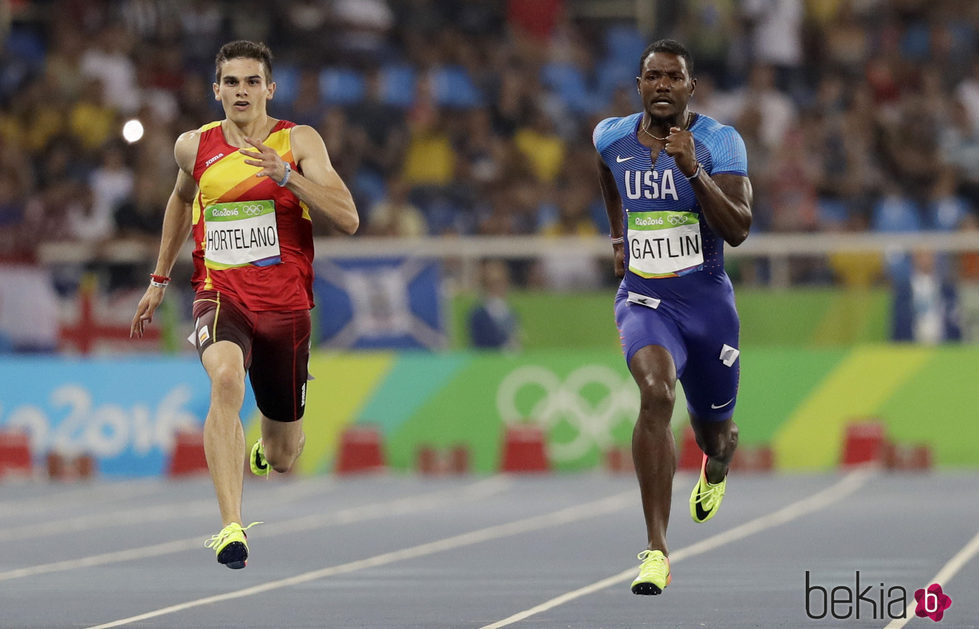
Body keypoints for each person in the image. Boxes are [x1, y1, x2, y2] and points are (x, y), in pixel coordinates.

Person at [130, 40, 358, 570]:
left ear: (269, 89)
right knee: (226, 379)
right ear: (216, 90)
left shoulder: (298, 141)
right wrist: (159, 278)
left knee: (281, 457)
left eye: (252, 82)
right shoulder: (194, 146)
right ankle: (231, 526)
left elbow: (347, 217)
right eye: (231, 82)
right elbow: (182, 200)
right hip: (221, 295)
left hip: (287, 309)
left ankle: (265, 447)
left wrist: (287, 176)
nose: (241, 91)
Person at [592, 39, 752, 595]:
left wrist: (695, 173)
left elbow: (738, 228)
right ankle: (656, 549)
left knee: (717, 435)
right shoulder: (610, 135)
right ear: (639, 85)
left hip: (707, 306)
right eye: (652, 77)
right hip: (644, 300)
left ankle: (716, 466)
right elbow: (607, 175)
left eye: (673, 78)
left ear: (691, 87)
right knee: (656, 395)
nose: (662, 85)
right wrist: (618, 236)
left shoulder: (719, 142)